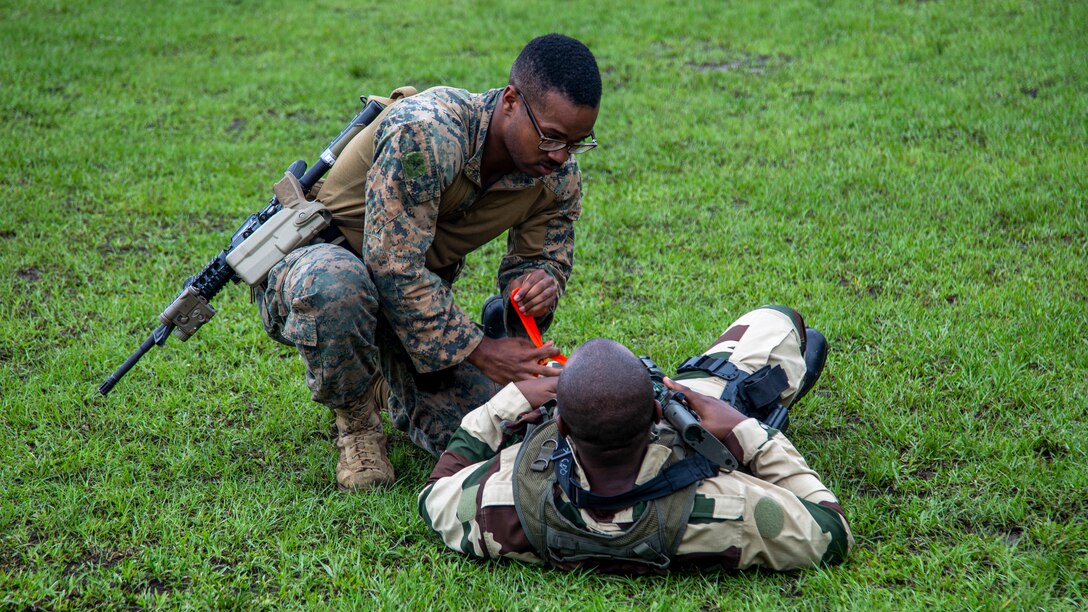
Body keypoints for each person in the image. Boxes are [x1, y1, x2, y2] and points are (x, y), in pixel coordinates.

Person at [257, 34, 602, 490]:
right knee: (339, 285)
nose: (560, 156)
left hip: (413, 301)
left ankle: (383, 379)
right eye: (551, 137)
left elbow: (543, 256)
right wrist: (481, 351)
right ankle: (358, 425)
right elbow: (392, 267)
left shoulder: (555, 175)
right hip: (316, 267)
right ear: (512, 101)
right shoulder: (428, 132)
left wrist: (536, 284)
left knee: (497, 436)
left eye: (577, 143)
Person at [418, 305, 853, 573]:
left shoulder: (497, 501)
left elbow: (433, 493)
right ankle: (745, 396)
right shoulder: (732, 507)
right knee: (778, 322)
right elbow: (832, 530)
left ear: (562, 426)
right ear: (656, 416)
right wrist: (747, 433)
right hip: (695, 431)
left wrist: (506, 403)